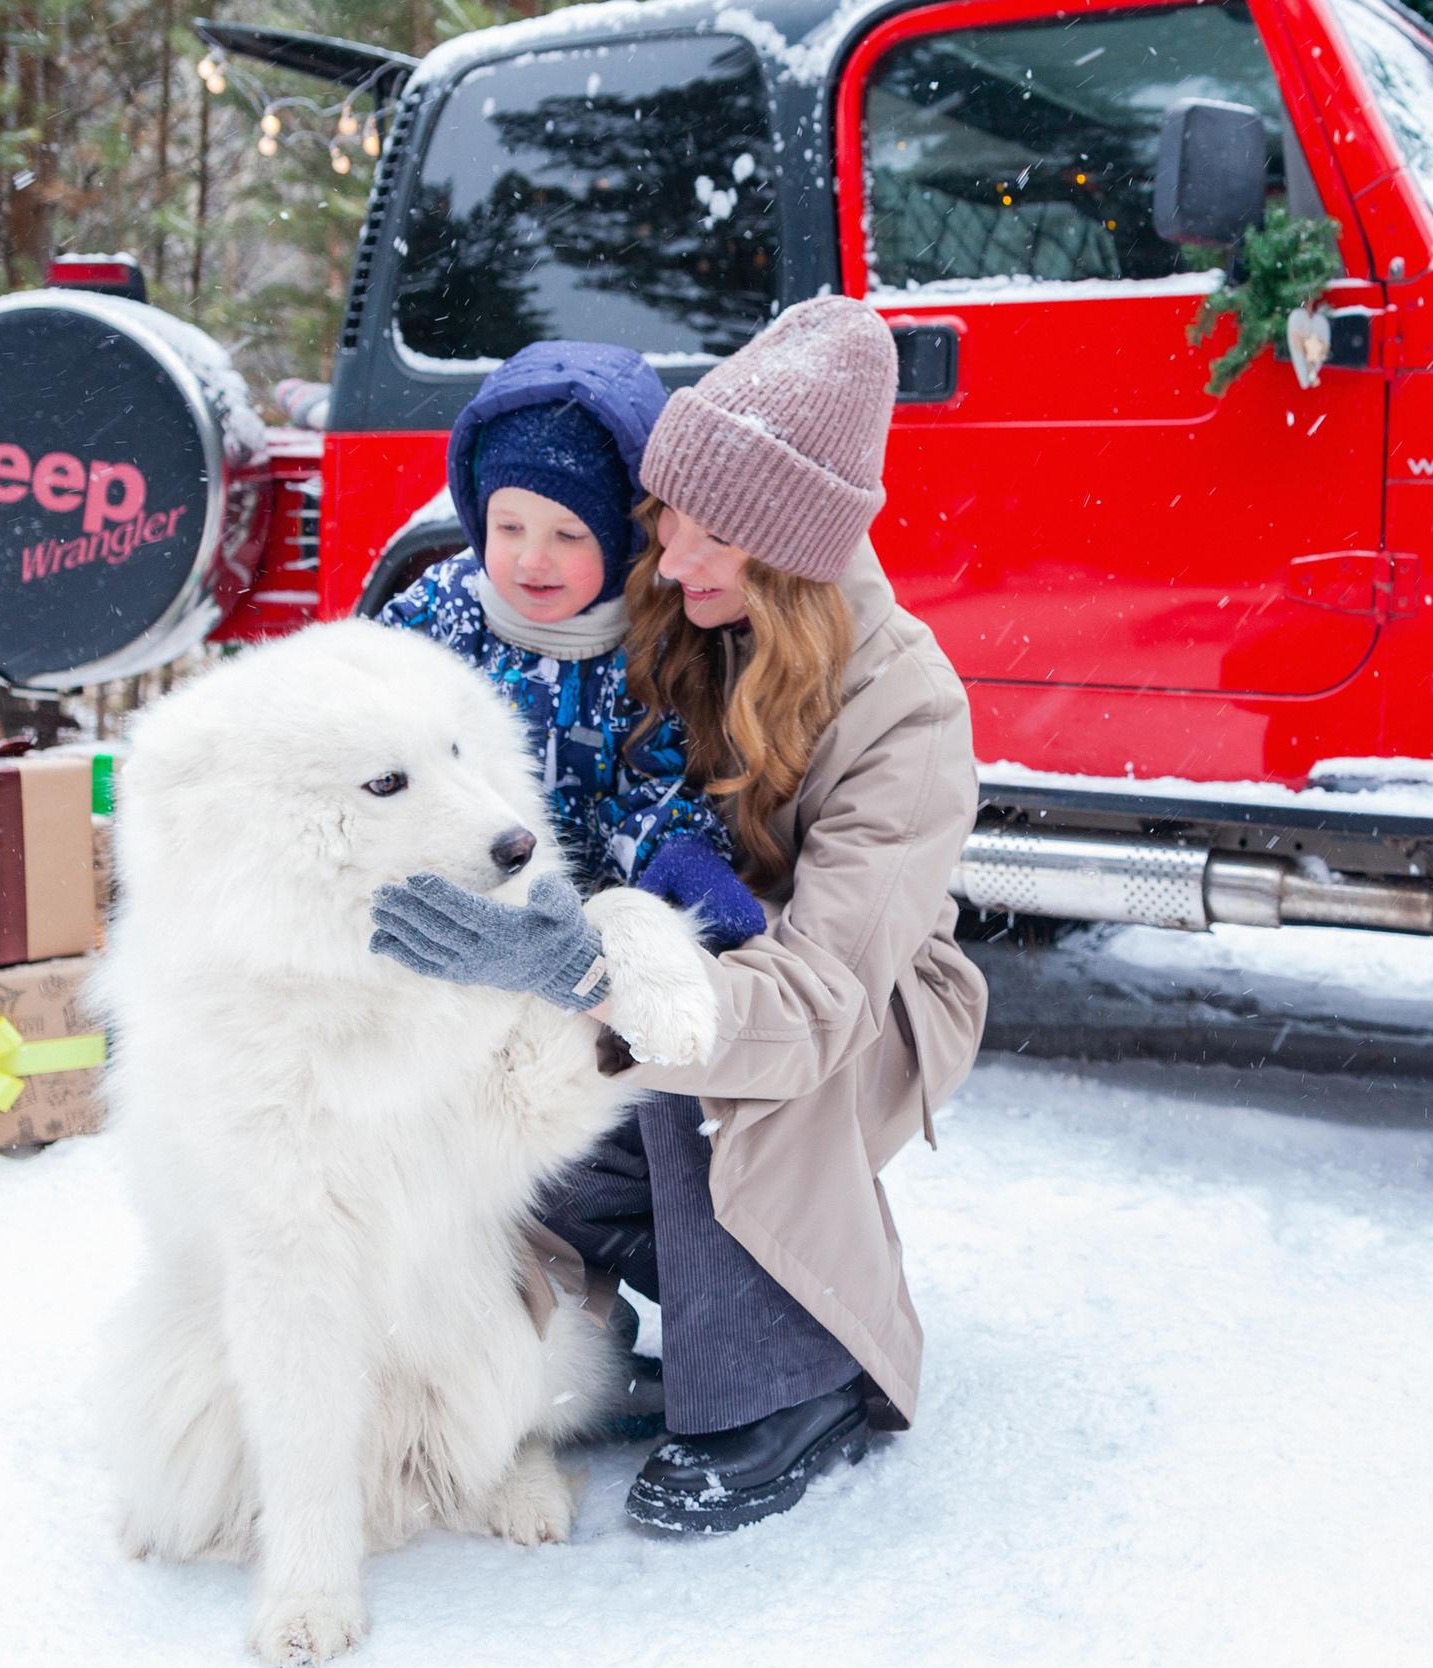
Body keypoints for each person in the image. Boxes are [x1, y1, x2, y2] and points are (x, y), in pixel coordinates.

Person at [368, 297, 990, 1534]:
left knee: (679, 1085)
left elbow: (815, 1001)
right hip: (638, 954)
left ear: (792, 556)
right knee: (498, 1099)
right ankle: (558, 1333)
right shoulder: (688, 607)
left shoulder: (907, 713)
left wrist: (577, 967)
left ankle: (782, 1376)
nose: (672, 562)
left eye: (710, 543)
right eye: (666, 528)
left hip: (842, 1013)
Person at [373, 340, 761, 947]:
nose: (532, 558)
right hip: (455, 909)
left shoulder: (651, 643)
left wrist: (681, 852)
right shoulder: (440, 613)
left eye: (568, 534)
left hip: (582, 930)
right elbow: (361, 718)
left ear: (622, 538)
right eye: (507, 527)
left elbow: (655, 785)